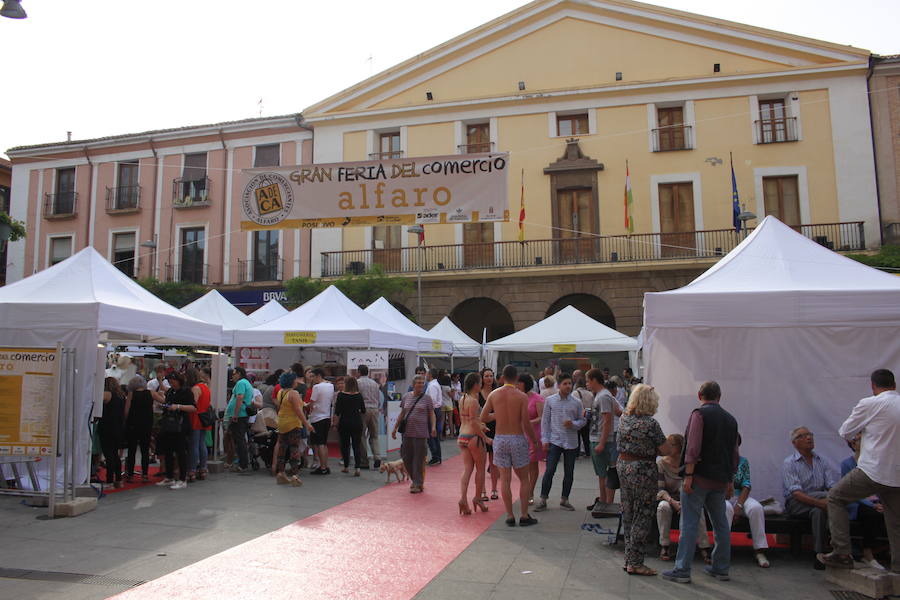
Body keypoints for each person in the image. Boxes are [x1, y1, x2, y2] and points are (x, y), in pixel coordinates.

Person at [820, 368, 900, 574]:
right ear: (894, 385)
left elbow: (845, 431)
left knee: (836, 497)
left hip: (872, 469)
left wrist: (864, 430)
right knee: (895, 522)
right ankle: (898, 568)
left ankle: (842, 552)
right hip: (897, 474)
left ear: (873, 386)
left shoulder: (870, 403)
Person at [662, 381, 739, 584]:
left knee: (689, 522)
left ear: (699, 395)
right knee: (721, 523)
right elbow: (734, 453)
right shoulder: (731, 420)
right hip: (720, 479)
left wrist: (688, 475)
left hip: (699, 477)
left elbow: (693, 447)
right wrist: (730, 479)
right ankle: (721, 568)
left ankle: (682, 569)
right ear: (719, 397)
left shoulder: (699, 415)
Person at [617, 384, 673, 576]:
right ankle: (636, 562)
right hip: (643, 471)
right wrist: (653, 449)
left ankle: (628, 559)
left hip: (624, 466)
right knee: (643, 514)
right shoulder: (650, 424)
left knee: (628, 513)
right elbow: (666, 450)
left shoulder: (624, 418)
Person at [481, 364, 538, 527]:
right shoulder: (521, 396)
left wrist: (498, 414)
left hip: (500, 438)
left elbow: (483, 417)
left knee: (505, 479)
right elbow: (526, 424)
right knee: (524, 479)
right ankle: (525, 515)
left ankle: (510, 515)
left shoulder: (494, 394)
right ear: (516, 378)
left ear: (502, 377)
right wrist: (534, 440)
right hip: (517, 438)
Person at [782, 425, 838, 569]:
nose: (809, 438)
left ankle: (819, 553)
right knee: (831, 500)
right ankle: (838, 546)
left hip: (817, 505)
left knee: (819, 513)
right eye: (803, 436)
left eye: (810, 434)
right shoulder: (790, 463)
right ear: (794, 443)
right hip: (796, 504)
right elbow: (796, 493)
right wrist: (823, 502)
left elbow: (831, 485)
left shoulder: (822, 461)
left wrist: (826, 501)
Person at [656, 433, 712, 562]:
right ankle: (664, 545)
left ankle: (704, 546)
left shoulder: (687, 464)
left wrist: (684, 502)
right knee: (662, 507)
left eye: (672, 444)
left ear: (680, 447)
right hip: (669, 498)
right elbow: (660, 489)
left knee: (699, 510)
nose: (668, 447)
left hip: (687, 497)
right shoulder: (661, 464)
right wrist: (672, 501)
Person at [534, 373, 584, 513]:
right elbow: (545, 422)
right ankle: (543, 499)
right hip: (554, 441)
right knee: (549, 471)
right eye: (565, 384)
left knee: (569, 472)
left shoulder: (576, 402)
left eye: (570, 383)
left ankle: (564, 499)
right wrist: (545, 439)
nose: (568, 386)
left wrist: (573, 424)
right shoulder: (550, 401)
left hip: (571, 442)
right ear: (559, 385)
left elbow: (582, 421)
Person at [724, 436, 770, 568]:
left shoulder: (743, 462)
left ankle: (759, 551)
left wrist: (739, 505)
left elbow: (746, 484)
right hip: (723, 497)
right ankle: (723, 550)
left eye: (735, 444)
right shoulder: (719, 461)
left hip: (740, 496)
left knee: (756, 508)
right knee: (726, 509)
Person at [391, 374, 435, 493]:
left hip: (421, 433)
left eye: (422, 383)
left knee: (418, 459)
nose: (421, 385)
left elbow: (431, 413)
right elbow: (402, 414)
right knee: (406, 458)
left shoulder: (427, 398)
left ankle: (417, 483)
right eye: (419, 383)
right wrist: (395, 428)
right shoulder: (406, 397)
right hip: (407, 433)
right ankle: (415, 479)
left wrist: (433, 427)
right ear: (413, 385)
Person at [457, 372, 492, 515]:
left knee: (467, 469)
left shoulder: (462, 399)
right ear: (476, 385)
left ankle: (463, 499)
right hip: (473, 438)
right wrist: (485, 437)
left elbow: (469, 420)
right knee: (480, 469)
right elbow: (473, 422)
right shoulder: (474, 401)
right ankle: (478, 498)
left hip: (462, 436)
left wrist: (481, 425)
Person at [155, 371, 197, 489]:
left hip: (180, 425)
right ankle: (169, 476)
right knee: (168, 451)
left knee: (180, 452)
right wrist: (164, 406)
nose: (171, 383)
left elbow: (193, 407)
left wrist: (178, 407)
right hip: (168, 424)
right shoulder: (170, 391)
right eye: (169, 381)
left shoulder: (186, 391)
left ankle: (182, 478)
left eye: (172, 381)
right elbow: (167, 402)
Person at [586, 368, 617, 510]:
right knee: (602, 473)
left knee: (604, 474)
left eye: (588, 381)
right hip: (598, 438)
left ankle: (605, 503)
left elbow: (607, 420)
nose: (587, 384)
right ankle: (604, 501)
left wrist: (602, 442)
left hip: (601, 439)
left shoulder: (603, 396)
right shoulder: (602, 395)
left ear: (594, 380)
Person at [274, 371, 310, 486]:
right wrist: (307, 423)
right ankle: (295, 475)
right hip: (293, 424)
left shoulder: (281, 392)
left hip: (282, 423)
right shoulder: (293, 393)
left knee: (282, 449)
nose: (297, 381)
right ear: (292, 381)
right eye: (295, 379)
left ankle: (281, 473)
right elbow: (298, 410)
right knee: (294, 449)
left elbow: (285, 406)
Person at [517, 373, 544, 505]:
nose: (517, 385)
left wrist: (528, 422)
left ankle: (530, 492)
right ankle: (526, 490)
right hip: (520, 435)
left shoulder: (537, 398)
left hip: (534, 434)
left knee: (533, 464)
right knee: (523, 465)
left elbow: (541, 417)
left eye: (519, 382)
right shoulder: (517, 397)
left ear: (525, 383)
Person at [334, 376, 366, 476]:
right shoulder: (359, 395)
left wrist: (335, 423)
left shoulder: (341, 395)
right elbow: (363, 410)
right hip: (357, 422)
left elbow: (337, 411)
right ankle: (357, 468)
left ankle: (346, 466)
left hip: (344, 422)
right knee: (356, 445)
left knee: (345, 445)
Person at [124, 375, 153, 482]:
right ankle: (145, 474)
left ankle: (130, 474)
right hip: (146, 424)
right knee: (145, 450)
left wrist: (125, 420)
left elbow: (126, 410)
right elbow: (163, 401)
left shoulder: (131, 394)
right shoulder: (151, 393)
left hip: (133, 424)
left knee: (132, 450)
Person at [225, 367, 253, 474]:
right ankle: (242, 463)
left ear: (240, 374)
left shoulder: (241, 383)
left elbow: (240, 397)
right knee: (239, 439)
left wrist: (235, 414)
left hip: (240, 415)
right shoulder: (246, 382)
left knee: (239, 440)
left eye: (234, 374)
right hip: (242, 415)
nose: (232, 376)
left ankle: (243, 464)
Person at [99, 377, 127, 488]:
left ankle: (110, 480)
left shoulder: (107, 394)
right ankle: (118, 480)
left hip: (106, 427)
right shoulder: (121, 396)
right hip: (118, 427)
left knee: (108, 454)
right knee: (115, 455)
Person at [186, 368, 212, 482]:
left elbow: (193, 403)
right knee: (202, 444)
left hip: (196, 418)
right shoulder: (205, 387)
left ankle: (192, 469)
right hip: (204, 418)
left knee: (194, 445)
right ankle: (203, 468)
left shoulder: (196, 388)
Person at [355, 364, 382, 470]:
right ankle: (377, 456)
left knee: (361, 435)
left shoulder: (358, 383)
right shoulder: (375, 383)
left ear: (359, 372)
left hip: (363, 410)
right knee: (374, 435)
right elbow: (378, 397)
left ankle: (364, 461)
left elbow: (356, 397)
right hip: (375, 410)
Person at [308, 368, 334, 475]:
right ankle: (325, 465)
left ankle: (322, 467)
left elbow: (312, 402)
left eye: (313, 376)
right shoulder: (331, 385)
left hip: (317, 417)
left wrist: (306, 405)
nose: (312, 379)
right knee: (324, 443)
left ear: (318, 375)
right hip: (326, 416)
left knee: (319, 444)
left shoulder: (317, 387)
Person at [478, 367, 499, 501]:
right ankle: (483, 490)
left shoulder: (497, 392)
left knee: (494, 462)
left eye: (491, 376)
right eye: (486, 376)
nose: (489, 378)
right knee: (481, 462)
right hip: (480, 429)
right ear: (482, 378)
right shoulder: (477, 393)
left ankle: (494, 489)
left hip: (496, 428)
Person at [572, 371, 593, 458]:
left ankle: (577, 453)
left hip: (577, 416)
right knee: (586, 435)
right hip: (587, 416)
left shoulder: (574, 393)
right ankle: (588, 453)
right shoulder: (590, 394)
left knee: (577, 435)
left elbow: (572, 406)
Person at [425, 368, 444, 466]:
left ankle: (435, 456)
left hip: (432, 411)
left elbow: (431, 400)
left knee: (431, 434)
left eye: (427, 374)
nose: (425, 375)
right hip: (436, 410)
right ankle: (437, 456)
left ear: (430, 375)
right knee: (434, 434)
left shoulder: (432, 386)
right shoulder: (435, 384)